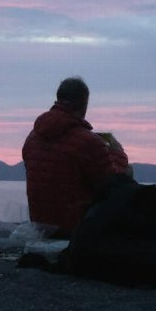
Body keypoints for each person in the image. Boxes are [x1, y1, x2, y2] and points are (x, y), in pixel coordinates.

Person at [22, 76, 131, 237]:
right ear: (85, 102)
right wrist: (117, 151)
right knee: (128, 172)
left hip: (40, 225)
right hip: (75, 227)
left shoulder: (32, 138)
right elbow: (112, 182)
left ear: (58, 99)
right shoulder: (87, 141)